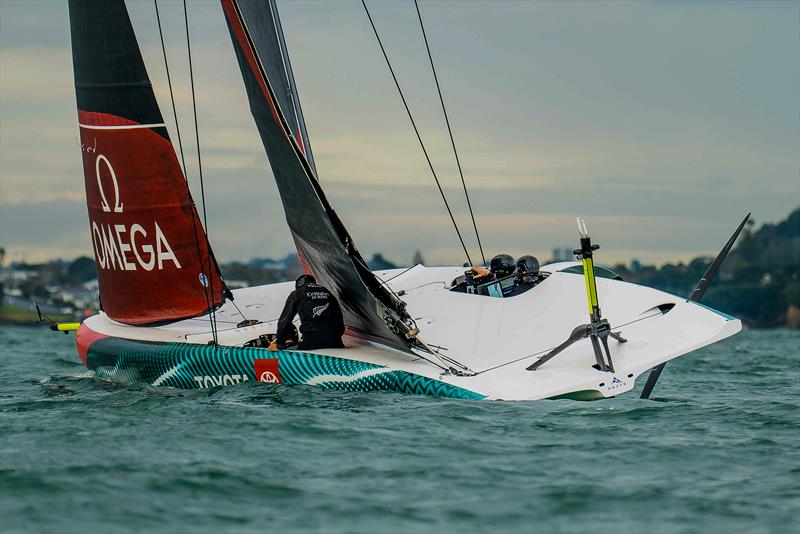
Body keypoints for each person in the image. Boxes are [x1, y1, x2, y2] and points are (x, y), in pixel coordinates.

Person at [274, 274, 345, 350]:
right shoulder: (328, 292)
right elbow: (340, 321)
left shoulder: (297, 293)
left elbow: (284, 322)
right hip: (335, 341)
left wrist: (279, 344)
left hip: (311, 341)